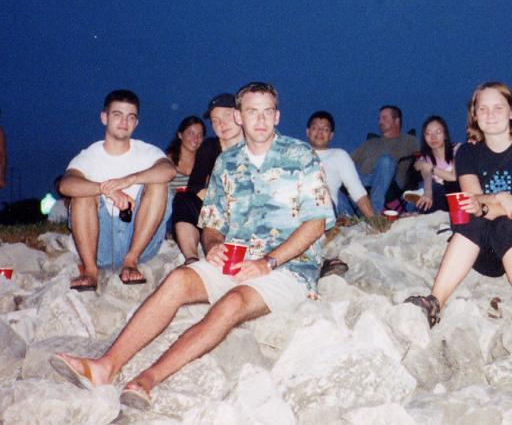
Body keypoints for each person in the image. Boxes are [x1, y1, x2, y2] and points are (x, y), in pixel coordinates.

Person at [50, 82, 335, 410]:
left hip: (287, 267)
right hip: (236, 259)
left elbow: (316, 223)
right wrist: (213, 245)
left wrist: (267, 262)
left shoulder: (300, 156)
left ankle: (148, 379)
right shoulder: (227, 163)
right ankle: (105, 366)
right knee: (178, 279)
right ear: (239, 117)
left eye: (267, 112)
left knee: (233, 302)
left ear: (277, 116)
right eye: (252, 111)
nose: (260, 120)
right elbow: (211, 222)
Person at [405, 83, 512, 327]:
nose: (490, 114)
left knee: (506, 223)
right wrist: (501, 197)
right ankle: (434, 303)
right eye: (483, 109)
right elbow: (472, 197)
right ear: (474, 115)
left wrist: (490, 204)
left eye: (498, 108)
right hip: (487, 252)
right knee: (471, 220)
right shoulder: (467, 152)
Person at [59, 90, 175, 291]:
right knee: (83, 194)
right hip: (99, 246)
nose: (124, 122)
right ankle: (90, 270)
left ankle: (131, 261)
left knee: (159, 183)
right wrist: (105, 190)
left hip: (141, 246)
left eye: (130, 117)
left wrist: (129, 180)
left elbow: (169, 170)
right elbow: (66, 184)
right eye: (117, 115)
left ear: (136, 123)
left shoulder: (148, 152)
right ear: (104, 118)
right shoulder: (89, 156)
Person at [172, 94, 244, 264]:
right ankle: (191, 258)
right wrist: (218, 201)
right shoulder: (210, 147)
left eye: (226, 116)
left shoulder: (254, 144)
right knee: (183, 199)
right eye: (215, 121)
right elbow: (195, 185)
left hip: (247, 209)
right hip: (218, 207)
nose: (221, 124)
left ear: (239, 115)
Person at [350, 105, 419, 214]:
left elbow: (428, 154)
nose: (380, 121)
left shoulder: (409, 141)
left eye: (384, 118)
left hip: (392, 184)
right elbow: (346, 161)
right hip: (362, 182)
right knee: (334, 169)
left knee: (386, 161)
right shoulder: (370, 143)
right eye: (379, 119)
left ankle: (373, 215)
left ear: (397, 121)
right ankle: (345, 217)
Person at [306, 110, 374, 218]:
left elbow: (357, 191)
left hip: (323, 210)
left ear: (331, 135)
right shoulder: (296, 154)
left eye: (325, 129)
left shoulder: (339, 155)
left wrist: (375, 221)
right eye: (315, 128)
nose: (320, 132)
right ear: (308, 132)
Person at [404, 115, 460, 212]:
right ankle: (417, 210)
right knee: (433, 190)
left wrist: (431, 168)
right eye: (428, 133)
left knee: (439, 187)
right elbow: (427, 178)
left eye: (438, 132)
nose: (433, 137)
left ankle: (417, 209)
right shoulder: (425, 159)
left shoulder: (457, 149)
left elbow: (454, 177)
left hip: (458, 193)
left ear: (445, 135)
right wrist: (427, 194)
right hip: (440, 197)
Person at [164, 116, 205, 195]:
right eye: (191, 133)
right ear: (180, 135)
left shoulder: (205, 164)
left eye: (200, 135)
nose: (195, 138)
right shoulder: (166, 161)